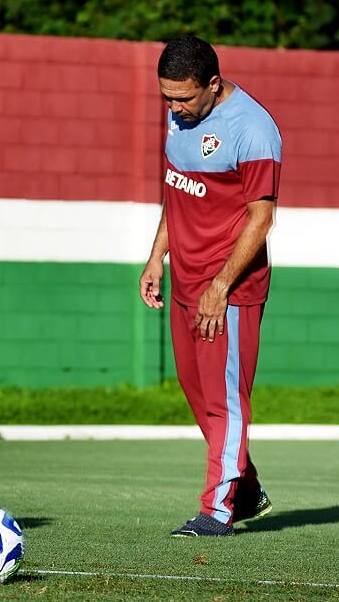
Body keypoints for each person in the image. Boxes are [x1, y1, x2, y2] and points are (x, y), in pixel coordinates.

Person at [139, 35, 280, 537]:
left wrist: (221, 286)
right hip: (185, 280)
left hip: (228, 291)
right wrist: (158, 256)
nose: (174, 108)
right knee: (197, 393)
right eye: (167, 98)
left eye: (183, 98)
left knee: (224, 400)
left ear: (213, 84)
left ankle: (217, 510)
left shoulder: (254, 130)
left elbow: (261, 221)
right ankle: (246, 489)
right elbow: (177, 188)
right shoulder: (181, 116)